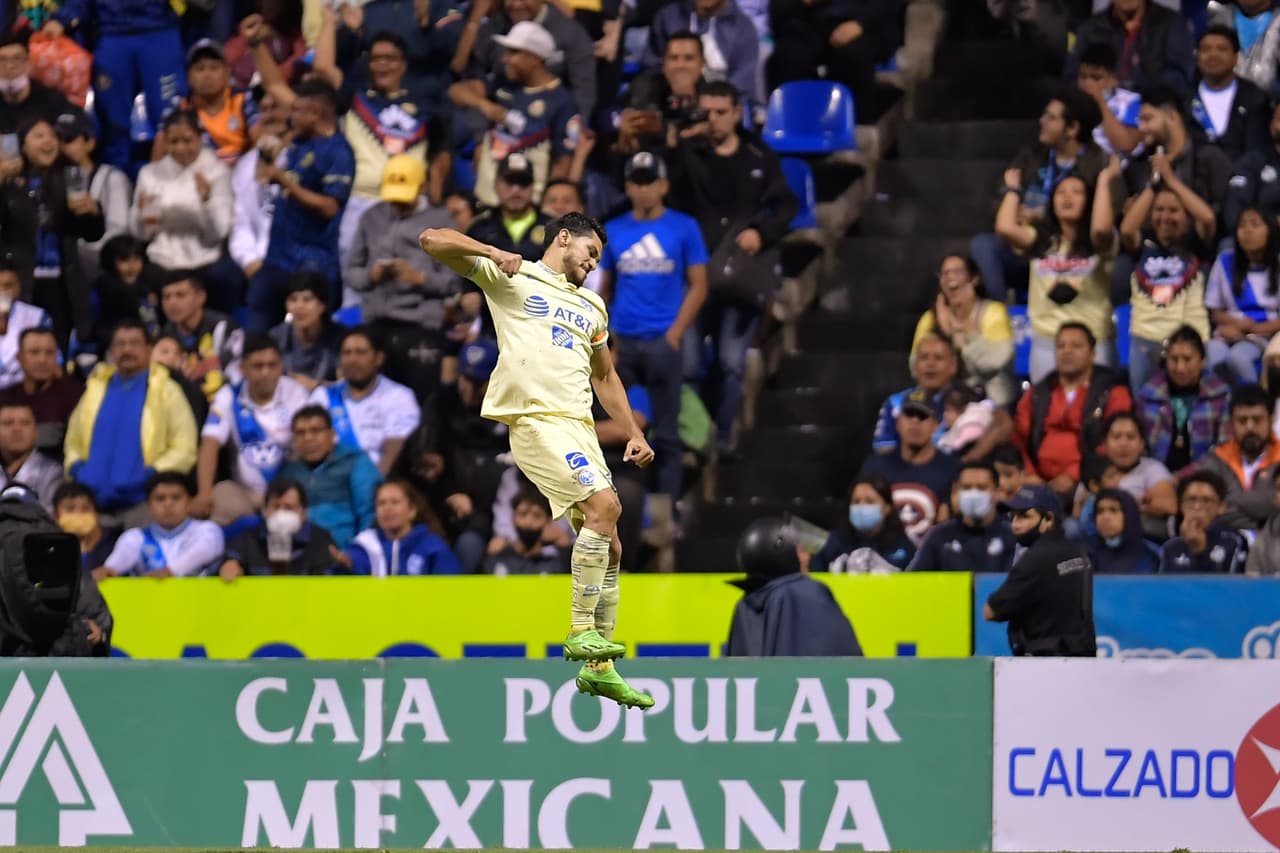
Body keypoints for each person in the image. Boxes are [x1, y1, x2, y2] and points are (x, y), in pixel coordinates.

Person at [419, 211, 656, 708]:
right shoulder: (514, 275)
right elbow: (431, 239)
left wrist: (632, 430)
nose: (593, 264)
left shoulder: (593, 306)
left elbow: (606, 378)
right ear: (563, 239)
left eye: (598, 259)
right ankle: (578, 633)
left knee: (611, 544)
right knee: (606, 507)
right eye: (590, 252)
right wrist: (489, 252)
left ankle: (600, 669)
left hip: (580, 428)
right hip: (534, 419)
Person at [597, 150, 707, 502]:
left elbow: (700, 285)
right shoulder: (613, 230)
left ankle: (668, 507)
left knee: (668, 431)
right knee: (624, 424)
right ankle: (628, 500)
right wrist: (607, 337)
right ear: (627, 187)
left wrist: (675, 334)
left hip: (663, 339)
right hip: (624, 342)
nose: (643, 190)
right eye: (636, 182)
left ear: (663, 185)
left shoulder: (684, 226)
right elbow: (606, 288)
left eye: (649, 182)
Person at [64, 319, 197, 528]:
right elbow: (73, 439)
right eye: (120, 344)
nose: (127, 349)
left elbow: (185, 447)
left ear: (149, 348)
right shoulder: (94, 389)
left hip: (144, 504)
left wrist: (152, 474)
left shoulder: (167, 391)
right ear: (111, 351)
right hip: (91, 504)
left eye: (134, 343)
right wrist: (77, 469)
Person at [246, 79, 355, 331]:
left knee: (309, 337)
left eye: (296, 111)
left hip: (311, 264)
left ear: (316, 113)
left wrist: (286, 182)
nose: (290, 117)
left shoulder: (338, 152)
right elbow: (266, 177)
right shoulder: (298, 144)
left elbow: (329, 207)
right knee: (255, 336)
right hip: (276, 259)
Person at [129, 110, 238, 311]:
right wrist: (142, 215)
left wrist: (207, 201)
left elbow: (219, 233)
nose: (180, 148)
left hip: (204, 263)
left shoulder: (216, 171)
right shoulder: (150, 174)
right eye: (173, 141)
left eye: (187, 140)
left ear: (199, 138)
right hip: (162, 262)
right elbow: (142, 234)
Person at [195, 335, 309, 526]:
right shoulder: (228, 396)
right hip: (245, 492)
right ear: (242, 369)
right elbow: (210, 444)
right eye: (258, 366)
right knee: (220, 496)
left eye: (272, 365)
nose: (266, 372)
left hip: (289, 490)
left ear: (281, 366)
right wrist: (204, 493)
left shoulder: (296, 393)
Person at [983, 484, 1097, 657]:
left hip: (1043, 662)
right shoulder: (1079, 551)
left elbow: (991, 611)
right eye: (1012, 517)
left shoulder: (1035, 558)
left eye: (1024, 516)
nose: (1015, 525)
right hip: (1082, 657)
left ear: (1049, 519)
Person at [725, 516, 862, 657]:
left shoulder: (744, 605)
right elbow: (847, 667)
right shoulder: (808, 592)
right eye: (801, 551)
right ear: (784, 554)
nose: (808, 557)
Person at [308, 326, 421, 474]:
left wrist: (372, 487)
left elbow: (395, 449)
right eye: (346, 353)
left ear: (378, 358)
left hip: (380, 480)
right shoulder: (323, 396)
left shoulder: (399, 396)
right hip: (330, 481)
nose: (352, 360)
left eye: (360, 353)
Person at [859, 389, 963, 544]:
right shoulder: (875, 467)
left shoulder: (952, 469)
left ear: (935, 425)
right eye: (909, 415)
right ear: (898, 423)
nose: (915, 422)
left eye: (922, 416)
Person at [911, 255, 1014, 406]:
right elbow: (915, 366)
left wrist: (965, 333)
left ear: (974, 279)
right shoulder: (930, 318)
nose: (950, 277)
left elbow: (994, 362)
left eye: (958, 271)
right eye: (945, 273)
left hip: (990, 402)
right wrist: (942, 335)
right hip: (943, 402)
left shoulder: (993, 312)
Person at [274, 405, 381, 549]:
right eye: (300, 433)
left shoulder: (356, 462)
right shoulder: (289, 473)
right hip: (299, 560)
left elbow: (371, 515)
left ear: (332, 434)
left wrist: (358, 556)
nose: (308, 438)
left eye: (316, 431)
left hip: (344, 558)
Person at [1135, 324, 1233, 473]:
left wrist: (1185, 475)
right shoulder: (1149, 395)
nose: (1180, 367)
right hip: (1155, 479)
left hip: (1206, 477)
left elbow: (1224, 448)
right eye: (1174, 359)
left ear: (1202, 361)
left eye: (1187, 359)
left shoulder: (1220, 395)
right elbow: (1140, 447)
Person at [96, 472, 225, 578]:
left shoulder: (208, 530)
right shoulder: (135, 537)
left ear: (189, 501)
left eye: (176, 497)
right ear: (149, 506)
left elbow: (205, 550)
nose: (168, 504)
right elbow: (115, 564)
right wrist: (109, 569)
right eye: (160, 498)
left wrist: (170, 572)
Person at [1206, 206, 1280, 382]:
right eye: (1242, 225)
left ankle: (1254, 402)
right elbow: (1215, 310)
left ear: (1270, 230)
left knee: (1238, 358)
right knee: (1213, 353)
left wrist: (1249, 329)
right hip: (1229, 330)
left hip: (1266, 334)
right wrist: (1235, 325)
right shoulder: (1224, 261)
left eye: (1255, 224)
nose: (1247, 231)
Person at [331, 479, 461, 575]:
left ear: (412, 511)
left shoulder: (432, 546)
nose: (388, 508)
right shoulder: (366, 545)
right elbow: (356, 561)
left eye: (395, 502)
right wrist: (347, 565)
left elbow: (450, 588)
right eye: (381, 503)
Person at [1196, 382, 1280, 529]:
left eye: (1257, 419)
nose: (1250, 427)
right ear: (1231, 423)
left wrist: (1229, 500)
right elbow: (1207, 508)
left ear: (1271, 420)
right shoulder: (1216, 459)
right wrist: (1261, 522)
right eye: (1242, 420)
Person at [219, 477, 339, 579]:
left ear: (303, 513)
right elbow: (231, 560)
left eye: (289, 508)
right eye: (276, 507)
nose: (281, 514)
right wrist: (231, 566)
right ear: (265, 511)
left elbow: (325, 582)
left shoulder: (321, 540)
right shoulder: (248, 538)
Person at [908, 460, 1017, 572]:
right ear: (957, 491)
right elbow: (914, 582)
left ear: (997, 492)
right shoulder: (940, 535)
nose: (973, 494)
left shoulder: (1012, 534)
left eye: (981, 488)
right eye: (966, 488)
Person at [0, 328, 81, 459]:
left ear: (56, 357)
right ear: (19, 357)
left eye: (49, 353)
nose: (42, 359)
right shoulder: (4, 398)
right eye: (34, 352)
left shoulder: (77, 397)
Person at [810, 474, 915, 573]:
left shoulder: (904, 546)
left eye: (870, 501)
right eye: (856, 501)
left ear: (887, 508)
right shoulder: (832, 542)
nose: (861, 506)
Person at [1159, 470, 1251, 572]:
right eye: (1191, 499)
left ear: (1221, 506)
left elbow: (1231, 586)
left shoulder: (1234, 541)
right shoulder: (1171, 547)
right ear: (1181, 505)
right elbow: (1164, 586)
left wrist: (1201, 552)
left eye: (1206, 500)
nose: (1197, 507)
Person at [483, 488, 572, 574]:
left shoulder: (559, 558)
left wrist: (564, 546)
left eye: (537, 515)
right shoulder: (499, 554)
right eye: (523, 514)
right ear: (513, 518)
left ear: (548, 521)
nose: (529, 521)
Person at [0, 256, 55, 391]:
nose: (1, 292)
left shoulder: (37, 317)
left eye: (8, 285)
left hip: (26, 395)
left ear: (18, 287)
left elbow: (52, 366)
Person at [0, 402, 61, 511]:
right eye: (8, 423)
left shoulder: (52, 472)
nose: (16, 429)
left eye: (25, 423)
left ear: (35, 431)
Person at [51, 482, 119, 573]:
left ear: (95, 514)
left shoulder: (116, 545)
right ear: (55, 517)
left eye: (86, 508)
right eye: (70, 509)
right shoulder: (48, 549)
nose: (79, 514)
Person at [1088, 487, 1160, 574]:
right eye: (1100, 511)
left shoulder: (1150, 555)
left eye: (1113, 510)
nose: (1105, 517)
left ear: (1129, 514)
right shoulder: (1087, 553)